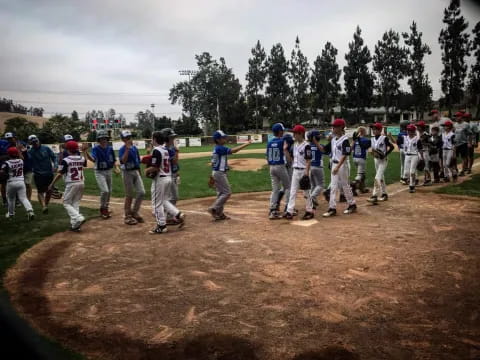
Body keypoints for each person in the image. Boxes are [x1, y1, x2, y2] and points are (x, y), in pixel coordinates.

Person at [145, 131, 185, 234]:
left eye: (152, 138)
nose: (151, 140)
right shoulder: (165, 150)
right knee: (164, 200)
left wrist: (147, 171)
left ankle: (161, 226)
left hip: (160, 179)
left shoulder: (157, 150)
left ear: (154, 139)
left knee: (156, 204)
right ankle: (177, 214)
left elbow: (156, 167)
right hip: (168, 177)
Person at [208, 130, 252, 221]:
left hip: (217, 172)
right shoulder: (220, 148)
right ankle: (214, 208)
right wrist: (246, 144)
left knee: (221, 193)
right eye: (223, 138)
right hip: (219, 173)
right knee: (227, 192)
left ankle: (219, 213)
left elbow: (213, 163)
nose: (225, 139)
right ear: (218, 140)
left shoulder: (217, 148)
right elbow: (234, 150)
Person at [48, 141, 86, 232]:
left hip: (71, 183)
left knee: (66, 203)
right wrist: (84, 151)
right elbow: (85, 163)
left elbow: (60, 174)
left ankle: (78, 217)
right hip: (81, 182)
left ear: (68, 150)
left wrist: (52, 184)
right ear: (77, 149)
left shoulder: (66, 160)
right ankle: (75, 225)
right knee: (75, 203)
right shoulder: (81, 158)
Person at [322, 119, 357, 217]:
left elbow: (346, 154)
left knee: (345, 185)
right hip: (334, 164)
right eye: (333, 126)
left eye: (335, 126)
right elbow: (324, 150)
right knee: (333, 187)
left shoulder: (344, 140)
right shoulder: (333, 140)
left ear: (341, 128)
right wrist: (315, 142)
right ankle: (332, 208)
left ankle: (352, 204)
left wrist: (337, 166)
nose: (333, 128)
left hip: (341, 166)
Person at [82, 130, 120, 219]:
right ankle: (102, 208)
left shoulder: (110, 148)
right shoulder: (96, 149)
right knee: (105, 191)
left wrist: (116, 168)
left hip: (109, 171)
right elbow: (92, 159)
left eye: (105, 138)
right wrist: (86, 152)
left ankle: (106, 208)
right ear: (99, 140)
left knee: (109, 191)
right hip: (100, 172)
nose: (104, 140)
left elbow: (113, 160)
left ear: (107, 139)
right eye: (102, 138)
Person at [284, 125, 314, 220]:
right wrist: (285, 150)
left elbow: (308, 160)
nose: (293, 135)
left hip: (303, 170)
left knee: (306, 193)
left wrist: (306, 173)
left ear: (301, 134)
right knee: (293, 191)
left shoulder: (306, 146)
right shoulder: (295, 145)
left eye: (295, 133)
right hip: (295, 171)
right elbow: (291, 160)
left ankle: (309, 211)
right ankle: (289, 211)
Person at [118, 130, 145, 225]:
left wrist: (140, 173)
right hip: (127, 173)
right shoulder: (122, 149)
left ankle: (134, 212)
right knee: (129, 195)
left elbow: (138, 162)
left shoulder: (135, 148)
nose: (129, 139)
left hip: (135, 172)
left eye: (130, 137)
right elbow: (123, 161)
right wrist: (127, 149)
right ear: (123, 140)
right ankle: (127, 216)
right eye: (127, 138)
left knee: (141, 192)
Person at [0, 147, 34, 220]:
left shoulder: (7, 163)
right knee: (24, 198)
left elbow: (2, 172)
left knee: (11, 199)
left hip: (11, 182)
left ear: (9, 154)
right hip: (21, 182)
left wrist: (4, 175)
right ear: (17, 154)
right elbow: (22, 157)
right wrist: (19, 151)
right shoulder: (21, 161)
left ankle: (11, 214)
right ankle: (30, 211)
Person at [267, 123, 291, 219]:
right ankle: (288, 209)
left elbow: (267, 157)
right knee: (288, 187)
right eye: (282, 130)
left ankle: (273, 210)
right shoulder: (282, 141)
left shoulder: (269, 142)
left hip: (271, 167)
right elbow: (286, 152)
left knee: (275, 189)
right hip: (280, 166)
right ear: (280, 131)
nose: (283, 131)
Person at [28, 134, 57, 214]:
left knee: (49, 191)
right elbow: (28, 162)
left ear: (38, 140)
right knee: (40, 191)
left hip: (49, 173)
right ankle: (44, 206)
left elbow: (54, 157)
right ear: (31, 143)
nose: (35, 143)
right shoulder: (30, 152)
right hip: (38, 174)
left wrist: (56, 164)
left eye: (36, 141)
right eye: (33, 142)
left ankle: (45, 205)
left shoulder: (46, 148)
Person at [368, 123, 395, 205]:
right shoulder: (372, 139)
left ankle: (374, 196)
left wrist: (385, 154)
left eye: (375, 129)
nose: (373, 130)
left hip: (383, 161)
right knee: (381, 178)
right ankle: (384, 194)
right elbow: (373, 150)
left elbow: (392, 147)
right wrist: (373, 153)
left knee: (377, 178)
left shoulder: (384, 138)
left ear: (380, 130)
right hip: (376, 160)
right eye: (373, 129)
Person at [307, 129, 325, 210]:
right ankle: (312, 197)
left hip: (310, 167)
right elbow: (324, 151)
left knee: (313, 185)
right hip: (318, 167)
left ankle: (312, 201)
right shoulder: (320, 145)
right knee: (321, 185)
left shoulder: (307, 146)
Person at [350, 126, 371, 195]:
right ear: (363, 132)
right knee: (360, 175)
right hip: (361, 159)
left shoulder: (355, 140)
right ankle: (353, 185)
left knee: (363, 175)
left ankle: (362, 189)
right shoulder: (365, 140)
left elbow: (351, 148)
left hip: (355, 158)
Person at [403, 125, 423, 193]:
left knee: (412, 171)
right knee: (406, 173)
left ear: (414, 131)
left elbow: (420, 149)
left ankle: (412, 186)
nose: (409, 132)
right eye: (408, 130)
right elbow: (397, 142)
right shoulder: (405, 138)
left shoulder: (417, 139)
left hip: (414, 156)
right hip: (407, 156)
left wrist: (422, 158)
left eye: (411, 130)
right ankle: (411, 181)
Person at [453, 111, 471, 176]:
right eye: (455, 116)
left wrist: (469, 142)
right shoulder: (454, 124)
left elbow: (469, 134)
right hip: (455, 144)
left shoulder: (466, 124)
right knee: (454, 157)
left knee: (463, 157)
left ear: (461, 117)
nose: (456, 118)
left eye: (457, 116)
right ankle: (456, 169)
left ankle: (462, 171)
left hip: (463, 143)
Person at [416, 121, 432, 186]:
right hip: (418, 151)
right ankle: (425, 179)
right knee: (420, 165)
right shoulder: (417, 134)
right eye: (417, 126)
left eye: (419, 126)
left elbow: (430, 144)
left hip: (425, 151)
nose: (417, 127)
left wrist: (423, 143)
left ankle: (428, 180)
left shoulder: (426, 135)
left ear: (422, 127)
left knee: (426, 167)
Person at [397, 120, 409, 184]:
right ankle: (406, 178)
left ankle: (402, 177)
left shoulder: (400, 134)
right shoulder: (409, 133)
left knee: (402, 164)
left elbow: (398, 143)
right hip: (407, 150)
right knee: (407, 165)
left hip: (401, 149)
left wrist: (399, 148)